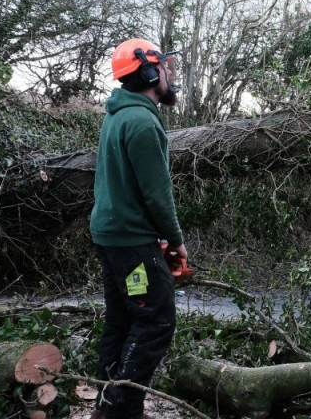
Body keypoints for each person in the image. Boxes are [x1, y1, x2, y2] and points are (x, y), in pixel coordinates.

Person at [89, 38, 187, 419]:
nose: (168, 74)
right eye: (163, 67)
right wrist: (176, 241)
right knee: (156, 320)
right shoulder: (143, 122)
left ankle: (106, 404)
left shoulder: (116, 116)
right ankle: (120, 409)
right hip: (131, 243)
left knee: (123, 319)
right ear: (149, 72)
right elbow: (158, 196)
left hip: (113, 238)